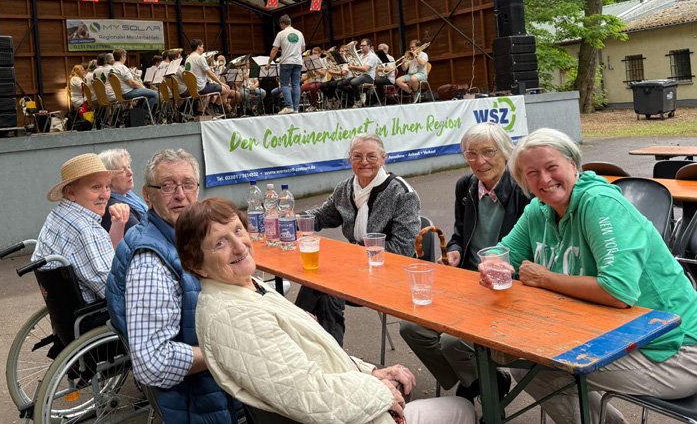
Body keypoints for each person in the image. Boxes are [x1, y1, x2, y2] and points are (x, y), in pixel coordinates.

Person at [178, 198, 476, 424]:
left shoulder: (246, 286)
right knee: (462, 411)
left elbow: (318, 357)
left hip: (350, 404)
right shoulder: (234, 317)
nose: (240, 245)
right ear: (197, 264)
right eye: (220, 242)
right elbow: (309, 394)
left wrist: (372, 372)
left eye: (238, 230)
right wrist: (383, 391)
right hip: (353, 416)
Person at [479, 128, 697, 424]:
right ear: (523, 180)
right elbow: (504, 252)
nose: (544, 179)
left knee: (536, 367)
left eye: (552, 167)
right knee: (521, 360)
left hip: (674, 349)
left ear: (573, 164)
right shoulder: (539, 210)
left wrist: (544, 278)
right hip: (613, 336)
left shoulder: (599, 203)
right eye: (532, 173)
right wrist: (491, 264)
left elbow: (618, 292)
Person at [105, 149, 238, 424]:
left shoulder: (180, 236)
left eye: (188, 184)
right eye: (167, 185)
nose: (180, 194)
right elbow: (153, 362)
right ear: (146, 194)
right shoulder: (151, 263)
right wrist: (227, 349)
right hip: (199, 401)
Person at [399, 122, 527, 404]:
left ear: (506, 152)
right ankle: (482, 380)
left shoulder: (522, 190)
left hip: (506, 288)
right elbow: (458, 234)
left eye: (488, 152)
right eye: (471, 154)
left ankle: (481, 390)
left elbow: (530, 248)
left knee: (452, 341)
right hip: (467, 282)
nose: (479, 162)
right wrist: (455, 251)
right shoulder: (466, 186)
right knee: (412, 328)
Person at [299, 134, 421, 345]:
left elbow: (403, 249)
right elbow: (322, 216)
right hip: (355, 268)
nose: (364, 162)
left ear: (384, 158)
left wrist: (353, 255)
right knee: (317, 281)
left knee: (327, 286)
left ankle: (316, 345)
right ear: (350, 159)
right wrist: (292, 220)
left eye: (372, 157)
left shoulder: (402, 193)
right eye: (357, 156)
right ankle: (311, 341)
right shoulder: (346, 188)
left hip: (391, 273)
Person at [32, 153, 129, 305]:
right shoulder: (86, 230)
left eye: (107, 186)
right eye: (96, 187)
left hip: (67, 312)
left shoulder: (57, 215)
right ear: (71, 193)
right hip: (99, 314)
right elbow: (113, 289)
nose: (105, 195)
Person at [98, 148, 147, 237]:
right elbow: (143, 236)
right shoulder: (114, 207)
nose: (130, 173)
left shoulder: (129, 195)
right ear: (108, 177)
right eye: (122, 170)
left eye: (128, 167)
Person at [267, 14, 306, 114]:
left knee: (284, 84)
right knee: (296, 84)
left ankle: (289, 106)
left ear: (282, 24)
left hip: (286, 62)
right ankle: (296, 108)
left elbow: (275, 49)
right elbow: (303, 49)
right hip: (298, 62)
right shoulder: (299, 33)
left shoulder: (281, 33)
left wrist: (269, 62)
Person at [185, 39, 235, 115]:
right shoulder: (199, 58)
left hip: (193, 88)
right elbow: (210, 74)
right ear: (198, 47)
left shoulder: (188, 58)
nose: (203, 49)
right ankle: (214, 108)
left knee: (210, 93)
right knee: (227, 89)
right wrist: (222, 83)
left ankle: (200, 112)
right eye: (202, 47)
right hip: (201, 88)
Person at [348, 38, 380, 108]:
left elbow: (365, 69)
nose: (361, 47)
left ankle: (358, 100)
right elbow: (358, 67)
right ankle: (357, 98)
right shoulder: (361, 55)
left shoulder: (372, 56)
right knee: (342, 83)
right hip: (361, 76)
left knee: (353, 82)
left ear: (368, 46)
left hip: (369, 77)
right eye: (360, 45)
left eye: (363, 45)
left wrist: (353, 67)